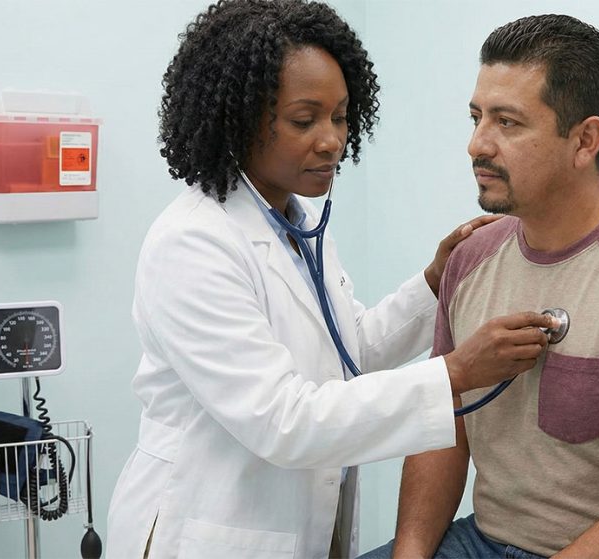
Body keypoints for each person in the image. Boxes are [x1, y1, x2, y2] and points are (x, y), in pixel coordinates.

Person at [105, 2, 559, 558]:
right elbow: (283, 420)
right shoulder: (193, 243)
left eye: (340, 117)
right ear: (240, 120)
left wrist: (433, 283)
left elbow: (345, 355)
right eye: (304, 120)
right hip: (207, 530)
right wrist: (457, 372)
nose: (331, 140)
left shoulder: (297, 225)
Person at [362, 14, 599, 559]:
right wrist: (411, 553)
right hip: (485, 540)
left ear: (585, 140)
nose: (477, 144)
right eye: (476, 118)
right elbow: (443, 433)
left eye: (507, 123)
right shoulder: (469, 260)